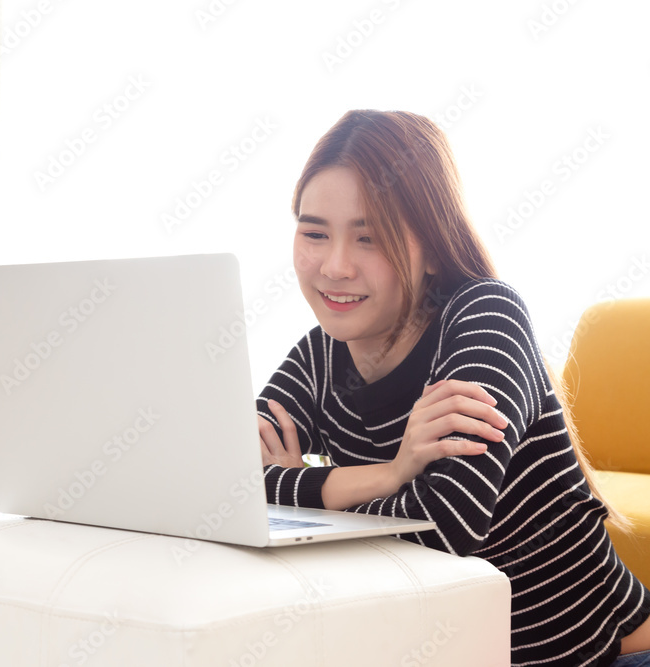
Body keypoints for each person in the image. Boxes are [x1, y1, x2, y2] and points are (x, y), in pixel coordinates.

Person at [256, 109, 650, 667]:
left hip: (607, 656)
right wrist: (391, 474)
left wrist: (298, 491)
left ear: (434, 250)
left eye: (369, 238)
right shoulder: (319, 357)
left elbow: (446, 526)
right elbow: (225, 491)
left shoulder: (486, 317)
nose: (335, 266)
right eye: (315, 233)